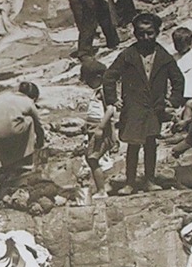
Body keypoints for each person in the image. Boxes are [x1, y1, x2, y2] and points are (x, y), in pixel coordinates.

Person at [103, 12, 185, 193]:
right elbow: (109, 77)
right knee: (133, 145)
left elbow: (178, 79)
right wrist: (113, 100)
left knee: (150, 143)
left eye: (150, 33)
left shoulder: (164, 56)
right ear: (135, 34)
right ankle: (130, 182)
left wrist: (173, 101)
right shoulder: (128, 54)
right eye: (141, 34)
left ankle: (149, 180)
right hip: (133, 106)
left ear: (157, 33)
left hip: (155, 107)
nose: (145, 38)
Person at [0, 81, 48, 177]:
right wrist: (40, 143)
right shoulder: (28, 101)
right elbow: (39, 126)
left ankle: (3, 163)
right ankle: (26, 163)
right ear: (34, 97)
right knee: (29, 120)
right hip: (6, 130)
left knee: (11, 124)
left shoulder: (2, 96)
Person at [79, 55, 120, 197]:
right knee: (91, 158)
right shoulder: (97, 91)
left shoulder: (104, 91)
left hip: (100, 129)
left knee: (92, 158)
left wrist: (101, 128)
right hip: (93, 128)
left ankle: (101, 190)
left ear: (98, 76)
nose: (88, 84)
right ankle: (101, 188)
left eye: (89, 81)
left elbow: (110, 110)